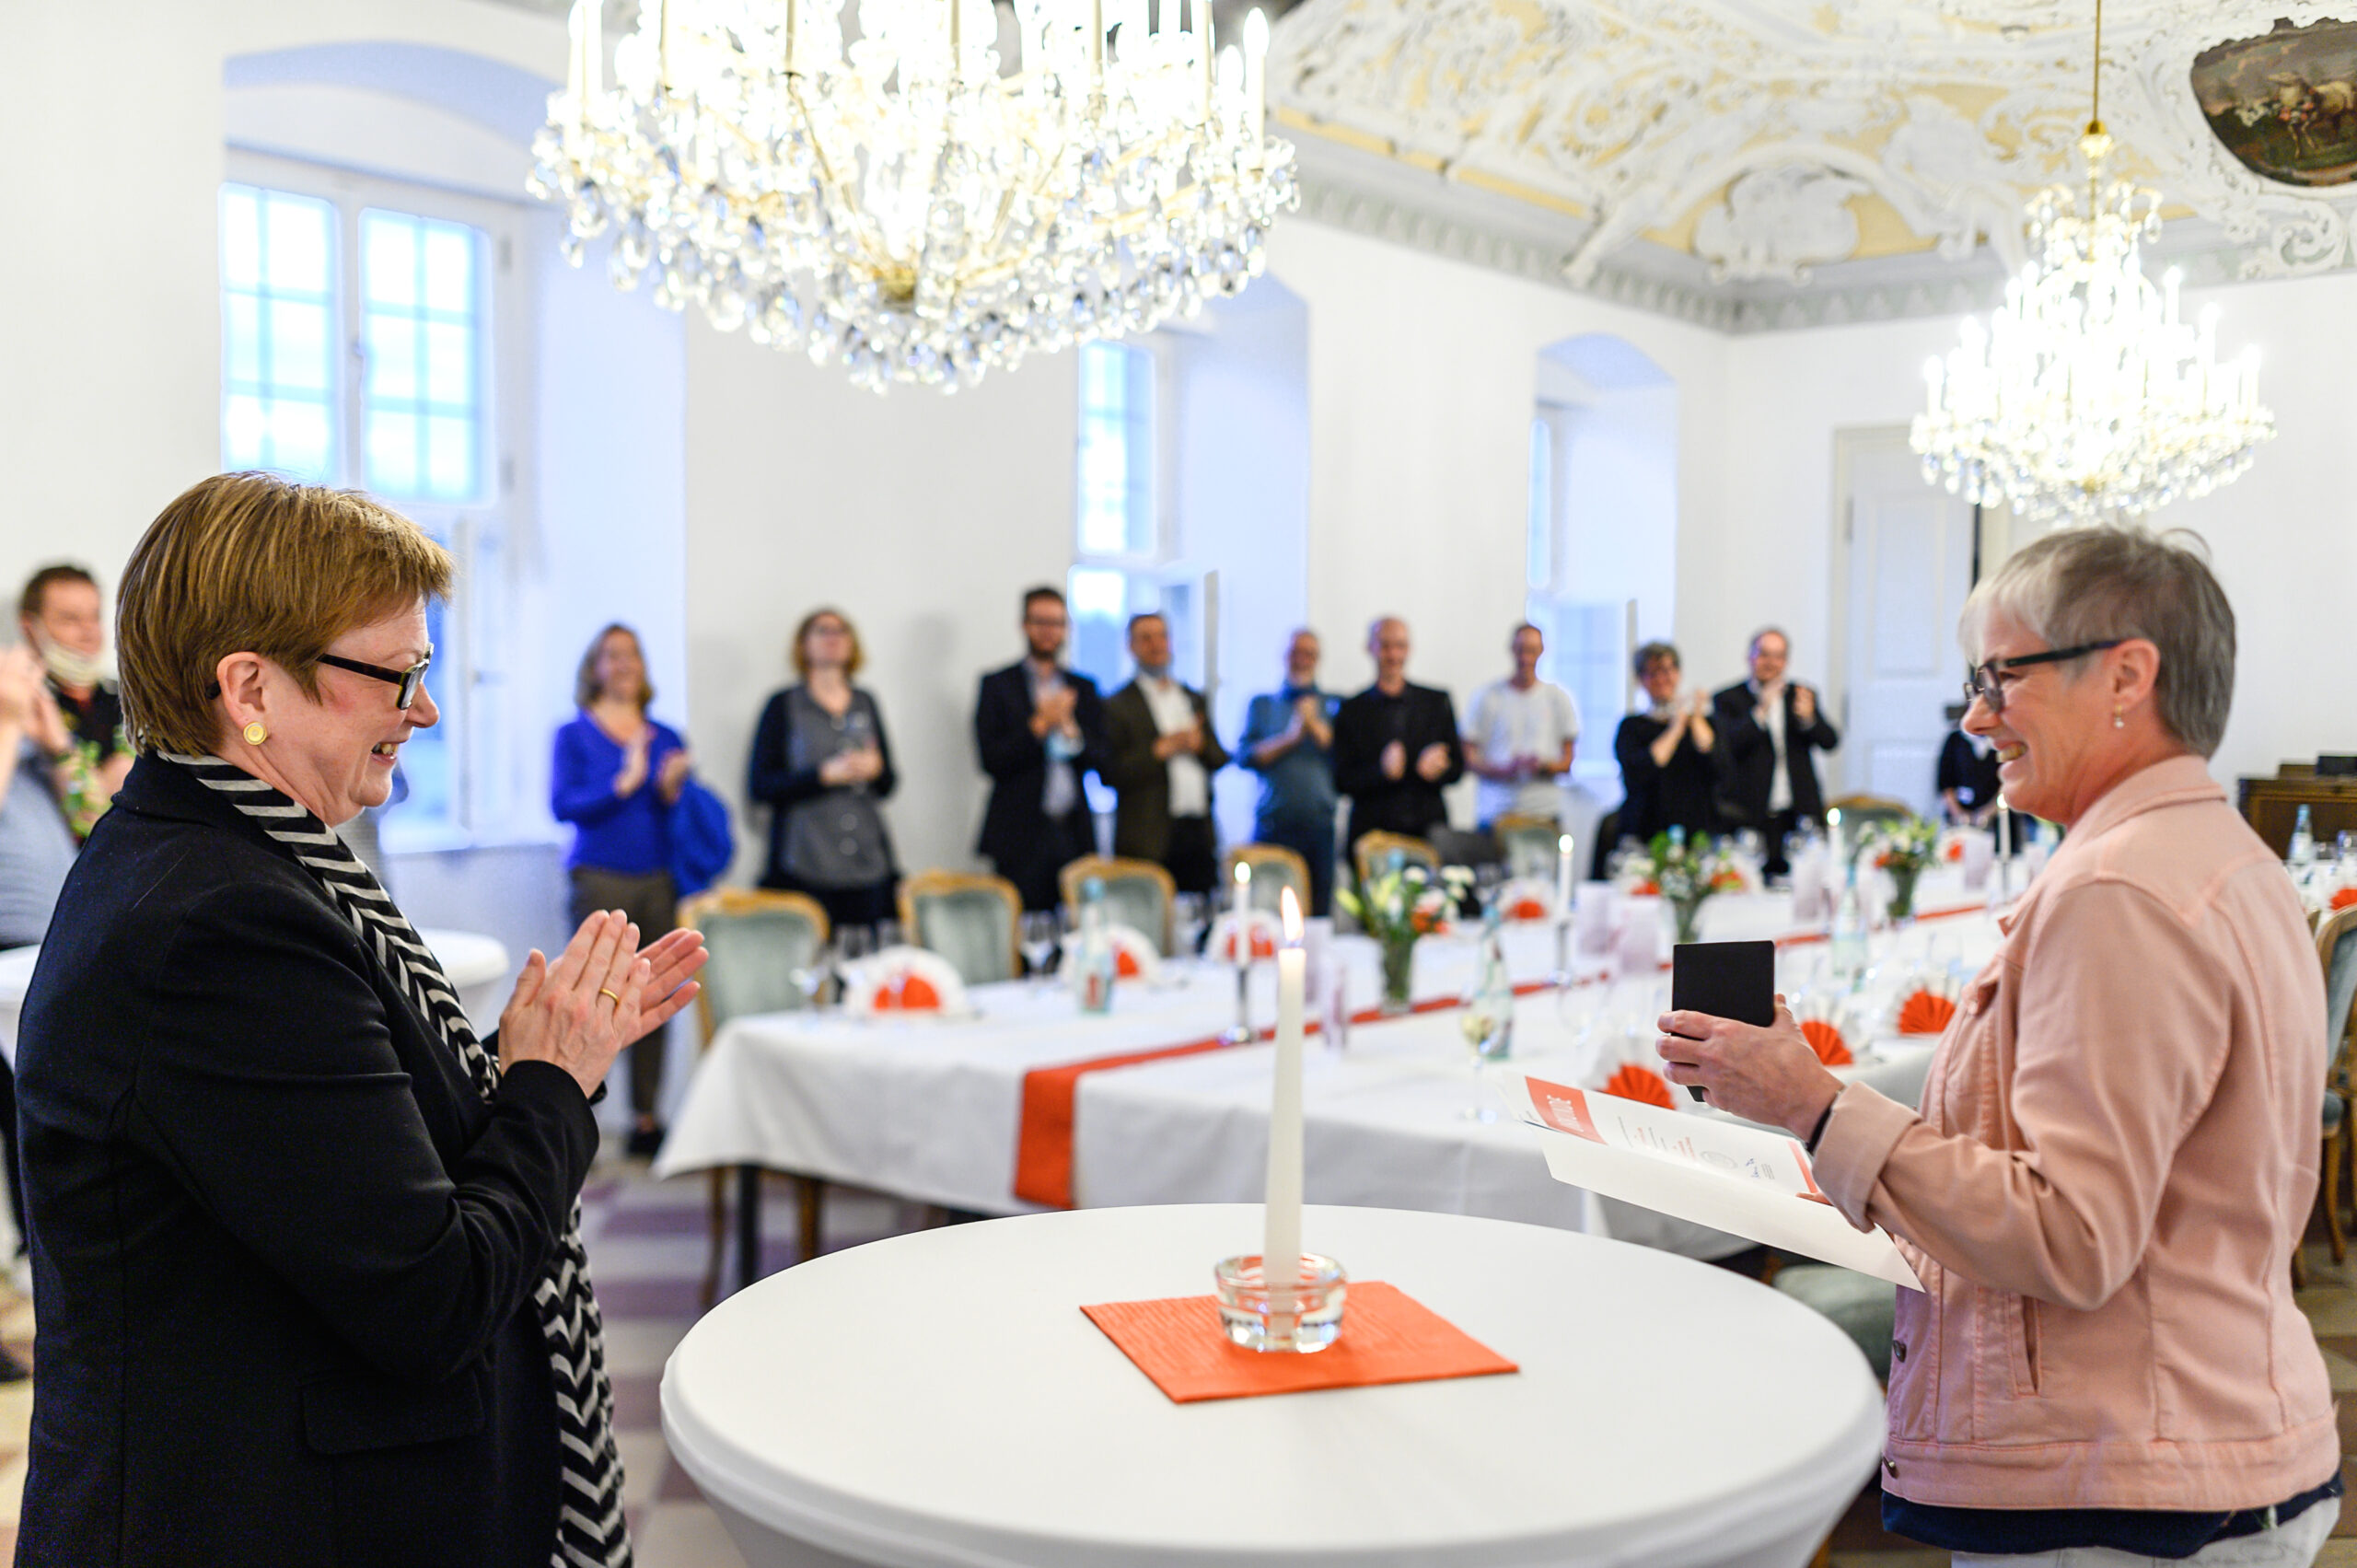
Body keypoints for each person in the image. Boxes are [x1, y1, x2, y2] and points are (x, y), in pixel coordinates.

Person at [15, 471, 707, 1568]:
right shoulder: (221, 920)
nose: (423, 710)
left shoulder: (216, 852)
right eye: (397, 674)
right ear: (249, 685)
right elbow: (432, 1293)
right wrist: (546, 1083)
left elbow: (325, 1164)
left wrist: (507, 1064)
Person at [1656, 528, 2340, 1566]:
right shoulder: (2215, 853)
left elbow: (2071, 1234)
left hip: (2117, 1483)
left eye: (1999, 677)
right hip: (2192, 1426)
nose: (1975, 716)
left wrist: (1818, 1106)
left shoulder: (2118, 890)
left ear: (2126, 673)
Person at [552, 622, 702, 1157]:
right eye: (611, 656)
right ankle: (573, 1119)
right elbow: (563, 805)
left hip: (658, 880)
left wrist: (668, 789)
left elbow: (681, 816)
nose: (623, 664)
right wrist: (625, 781)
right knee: (588, 1001)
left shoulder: (668, 735)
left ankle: (645, 1119)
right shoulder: (574, 733)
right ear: (595, 668)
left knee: (654, 993)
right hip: (599, 879)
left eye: (631, 655)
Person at [749, 608, 900, 932]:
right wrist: (821, 776)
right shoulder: (783, 704)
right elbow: (761, 785)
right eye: (822, 631)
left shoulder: (866, 701)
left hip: (866, 860)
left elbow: (888, 782)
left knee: (869, 965)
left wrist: (877, 770)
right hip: (807, 862)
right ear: (803, 644)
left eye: (840, 631)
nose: (832, 638)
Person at [974, 587, 1109, 912]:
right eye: (1041, 621)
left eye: (1057, 622)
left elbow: (1104, 760)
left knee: (1077, 929)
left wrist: (1071, 731)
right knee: (1025, 933)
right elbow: (991, 760)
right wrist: (1038, 725)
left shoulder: (1083, 688)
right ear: (1025, 625)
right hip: (1020, 833)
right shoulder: (998, 685)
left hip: (1073, 831)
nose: (1049, 631)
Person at [1103, 611, 1230, 896]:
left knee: (1201, 916)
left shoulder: (1192, 697)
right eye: (1146, 638)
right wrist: (1160, 749)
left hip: (1197, 830)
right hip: (1148, 836)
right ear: (1131, 647)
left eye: (1162, 636)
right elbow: (1110, 772)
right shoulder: (1116, 705)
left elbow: (1220, 756)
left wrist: (1198, 746)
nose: (1156, 644)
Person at [1331, 617, 1463, 855]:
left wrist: (1438, 769)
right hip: (1373, 834)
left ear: (1409, 649)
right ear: (1369, 648)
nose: (1392, 655)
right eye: (1385, 646)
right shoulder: (1351, 709)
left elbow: (1458, 768)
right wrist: (1381, 772)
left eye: (1399, 646)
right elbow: (1340, 780)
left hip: (1427, 830)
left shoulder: (1436, 703)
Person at [1712, 627, 1839, 875]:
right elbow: (1728, 748)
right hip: (1749, 813)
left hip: (1797, 810)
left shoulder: (1801, 694)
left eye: (1778, 656)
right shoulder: (1728, 699)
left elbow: (1830, 741)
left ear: (1786, 661)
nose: (1771, 663)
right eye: (1764, 655)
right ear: (1750, 657)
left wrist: (1809, 719)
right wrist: (1761, 710)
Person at [17, 563, 131, 840]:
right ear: (31, 628)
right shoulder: (19, 705)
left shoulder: (129, 698)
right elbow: (87, 820)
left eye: (94, 617)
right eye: (70, 619)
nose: (89, 632)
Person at [1238, 629, 1341, 915]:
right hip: (1274, 822)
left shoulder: (1334, 704)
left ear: (1318, 659)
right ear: (1285, 657)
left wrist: (1316, 729)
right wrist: (1292, 736)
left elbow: (1348, 756)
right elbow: (1245, 756)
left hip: (1320, 825)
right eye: (1296, 653)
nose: (1302, 660)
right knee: (1268, 910)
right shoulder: (1262, 704)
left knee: (1319, 910)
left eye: (1309, 654)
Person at [1464, 621, 1579, 830]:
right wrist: (1505, 769)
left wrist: (1543, 766)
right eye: (1521, 650)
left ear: (1541, 651)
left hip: (1544, 814)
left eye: (1532, 651)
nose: (1526, 658)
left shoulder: (1557, 699)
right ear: (1512, 650)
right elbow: (1468, 757)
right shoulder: (1487, 697)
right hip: (1496, 813)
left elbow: (1568, 760)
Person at [1612, 641, 1720, 848]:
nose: (1661, 679)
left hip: (1694, 831)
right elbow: (1646, 766)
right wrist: (1676, 728)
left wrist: (1695, 715)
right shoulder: (1631, 727)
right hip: (1646, 829)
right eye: (1652, 673)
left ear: (1678, 674)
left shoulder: (1703, 723)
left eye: (1667, 671)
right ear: (1640, 680)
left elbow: (1716, 762)